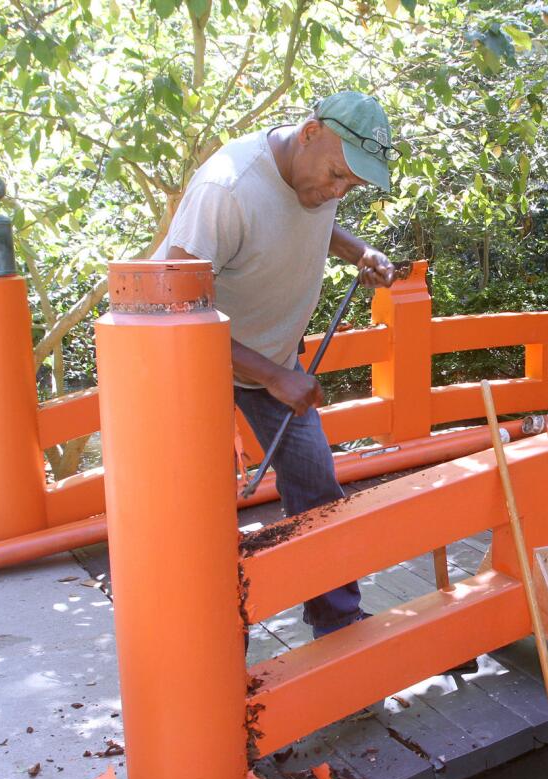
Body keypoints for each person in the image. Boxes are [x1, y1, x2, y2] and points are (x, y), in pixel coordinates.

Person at [158, 91, 398, 637]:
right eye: (337, 175)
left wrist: (360, 252)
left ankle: (337, 620)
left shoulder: (318, 174)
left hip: (273, 364)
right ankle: (208, 635)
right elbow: (176, 303)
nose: (337, 191)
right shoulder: (228, 187)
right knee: (197, 505)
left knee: (316, 486)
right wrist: (274, 377)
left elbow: (311, 223)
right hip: (193, 368)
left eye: (349, 187)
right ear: (310, 131)